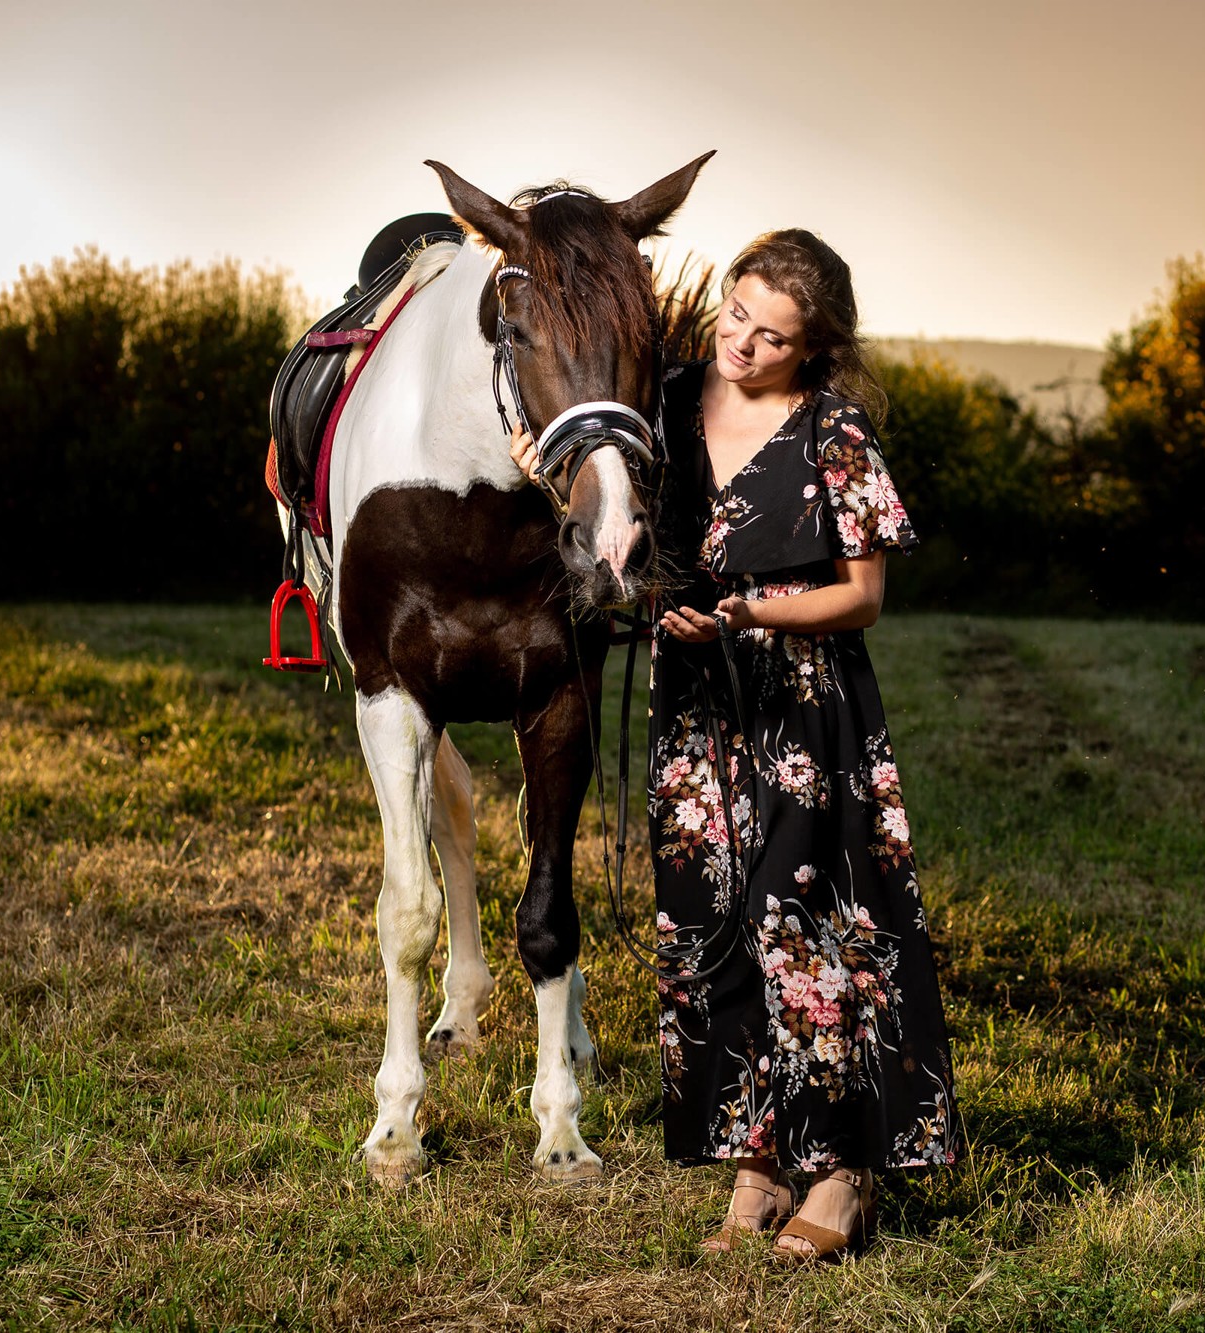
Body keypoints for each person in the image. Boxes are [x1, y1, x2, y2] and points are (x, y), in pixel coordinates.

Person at [516, 229, 961, 1261]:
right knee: (708, 930)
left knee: (795, 929)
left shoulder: (831, 430)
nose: (744, 347)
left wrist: (752, 614)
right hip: (695, 709)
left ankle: (842, 1173)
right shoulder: (666, 404)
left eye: (772, 337)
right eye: (735, 318)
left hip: (803, 712)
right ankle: (758, 1164)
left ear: (813, 349)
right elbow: (617, 513)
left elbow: (863, 597)